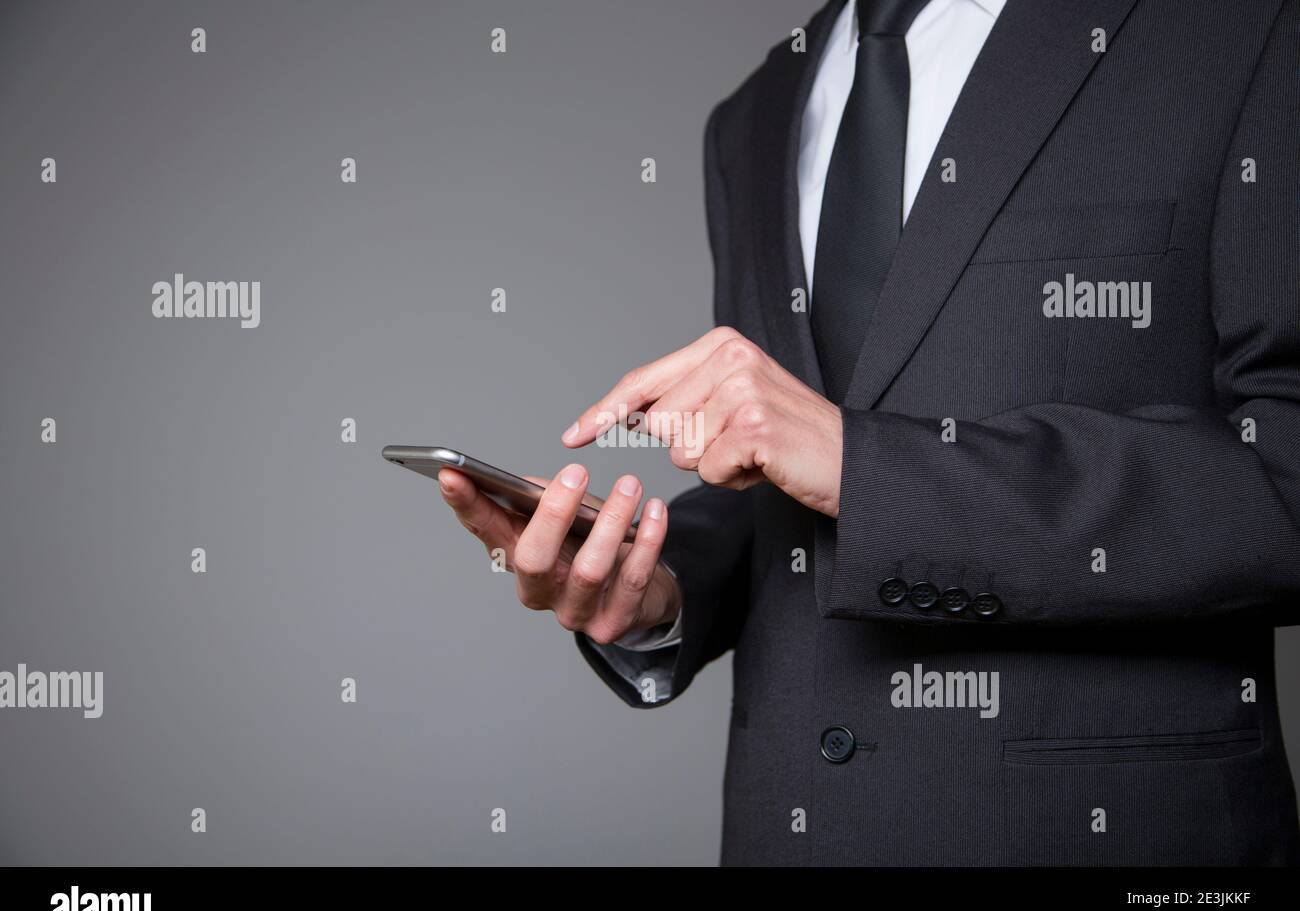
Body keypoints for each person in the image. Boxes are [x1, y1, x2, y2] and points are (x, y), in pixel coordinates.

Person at [438, 0, 1300, 865]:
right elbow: (781, 469)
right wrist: (656, 588)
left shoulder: (1238, 28)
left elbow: (1285, 481)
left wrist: (864, 464)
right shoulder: (754, 113)